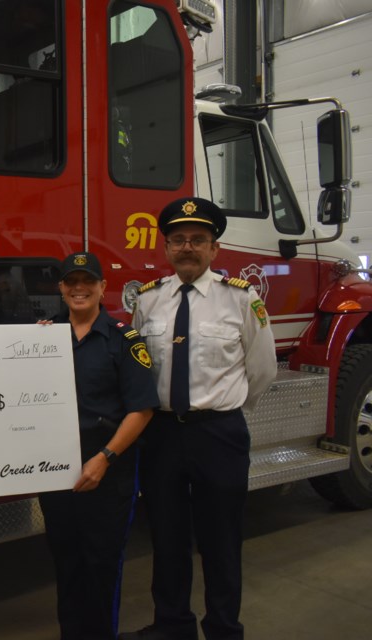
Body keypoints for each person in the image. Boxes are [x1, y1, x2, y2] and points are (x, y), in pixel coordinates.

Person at [121, 198, 277, 640]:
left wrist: (224, 411)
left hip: (219, 435)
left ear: (215, 248)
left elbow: (262, 369)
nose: (187, 248)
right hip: (163, 436)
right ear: (166, 247)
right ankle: (173, 626)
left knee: (221, 541)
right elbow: (138, 368)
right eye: (178, 240)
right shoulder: (148, 302)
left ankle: (224, 629)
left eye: (198, 240)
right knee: (167, 538)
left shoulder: (242, 300)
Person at [37, 251, 158, 640]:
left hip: (107, 471)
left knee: (101, 565)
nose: (78, 288)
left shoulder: (124, 340)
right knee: (66, 562)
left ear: (103, 288)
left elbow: (141, 410)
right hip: (57, 473)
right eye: (70, 282)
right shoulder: (41, 338)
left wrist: (104, 458)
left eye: (87, 281)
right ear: (60, 289)